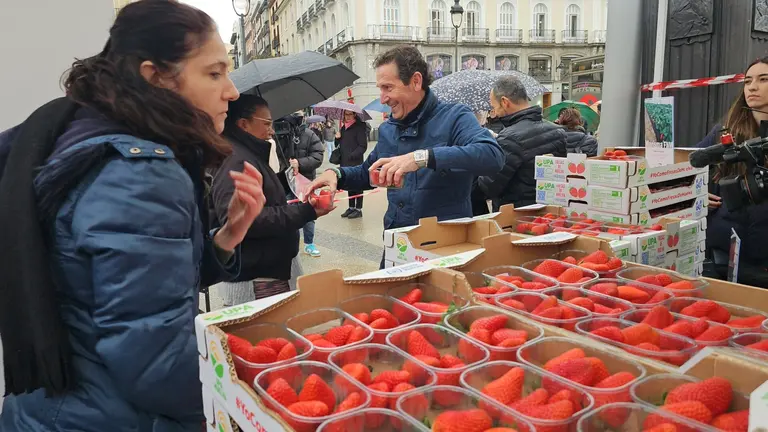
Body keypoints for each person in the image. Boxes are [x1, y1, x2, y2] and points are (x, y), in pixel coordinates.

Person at [0, 2, 267, 431]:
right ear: (155, 77)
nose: (232, 91)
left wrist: (227, 237)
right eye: (214, 73)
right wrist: (249, 401)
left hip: (56, 408)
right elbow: (153, 359)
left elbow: (126, 292)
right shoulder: (141, 171)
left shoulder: (85, 133)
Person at [305, 45, 504, 267]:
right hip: (396, 245)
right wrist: (336, 174)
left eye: (388, 87)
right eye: (380, 88)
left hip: (443, 250)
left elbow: (492, 155)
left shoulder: (455, 116)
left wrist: (421, 158)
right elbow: (368, 173)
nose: (382, 99)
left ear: (416, 81)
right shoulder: (389, 129)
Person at [212, 95, 332, 305]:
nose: (272, 130)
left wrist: (285, 184)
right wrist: (306, 211)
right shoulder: (235, 160)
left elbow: (263, 198)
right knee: (266, 334)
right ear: (243, 124)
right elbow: (247, 220)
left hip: (269, 268)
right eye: (266, 123)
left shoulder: (249, 152)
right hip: (257, 276)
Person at [695, 56, 768, 288]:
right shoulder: (726, 131)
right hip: (723, 255)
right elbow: (687, 166)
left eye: (763, 79)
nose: (752, 87)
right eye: (747, 81)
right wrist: (694, 195)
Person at [478, 76, 567, 211]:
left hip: (517, 214)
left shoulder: (509, 138)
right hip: (550, 209)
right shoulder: (558, 132)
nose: (494, 113)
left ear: (504, 102)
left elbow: (489, 186)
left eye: (494, 107)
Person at [279, 111, 325, 256]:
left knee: (308, 213)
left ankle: (309, 244)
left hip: (305, 182)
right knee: (287, 213)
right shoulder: (280, 134)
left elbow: (318, 156)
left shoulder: (310, 134)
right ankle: (289, 243)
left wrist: (300, 163)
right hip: (284, 181)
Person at [336, 110, 369, 218]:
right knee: (349, 183)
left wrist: (352, 155)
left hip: (355, 161)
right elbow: (339, 144)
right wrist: (337, 138)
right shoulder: (343, 128)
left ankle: (358, 209)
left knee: (358, 184)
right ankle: (351, 207)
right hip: (345, 161)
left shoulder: (359, 128)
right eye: (346, 114)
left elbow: (363, 146)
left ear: (354, 115)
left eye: (350, 114)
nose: (348, 116)